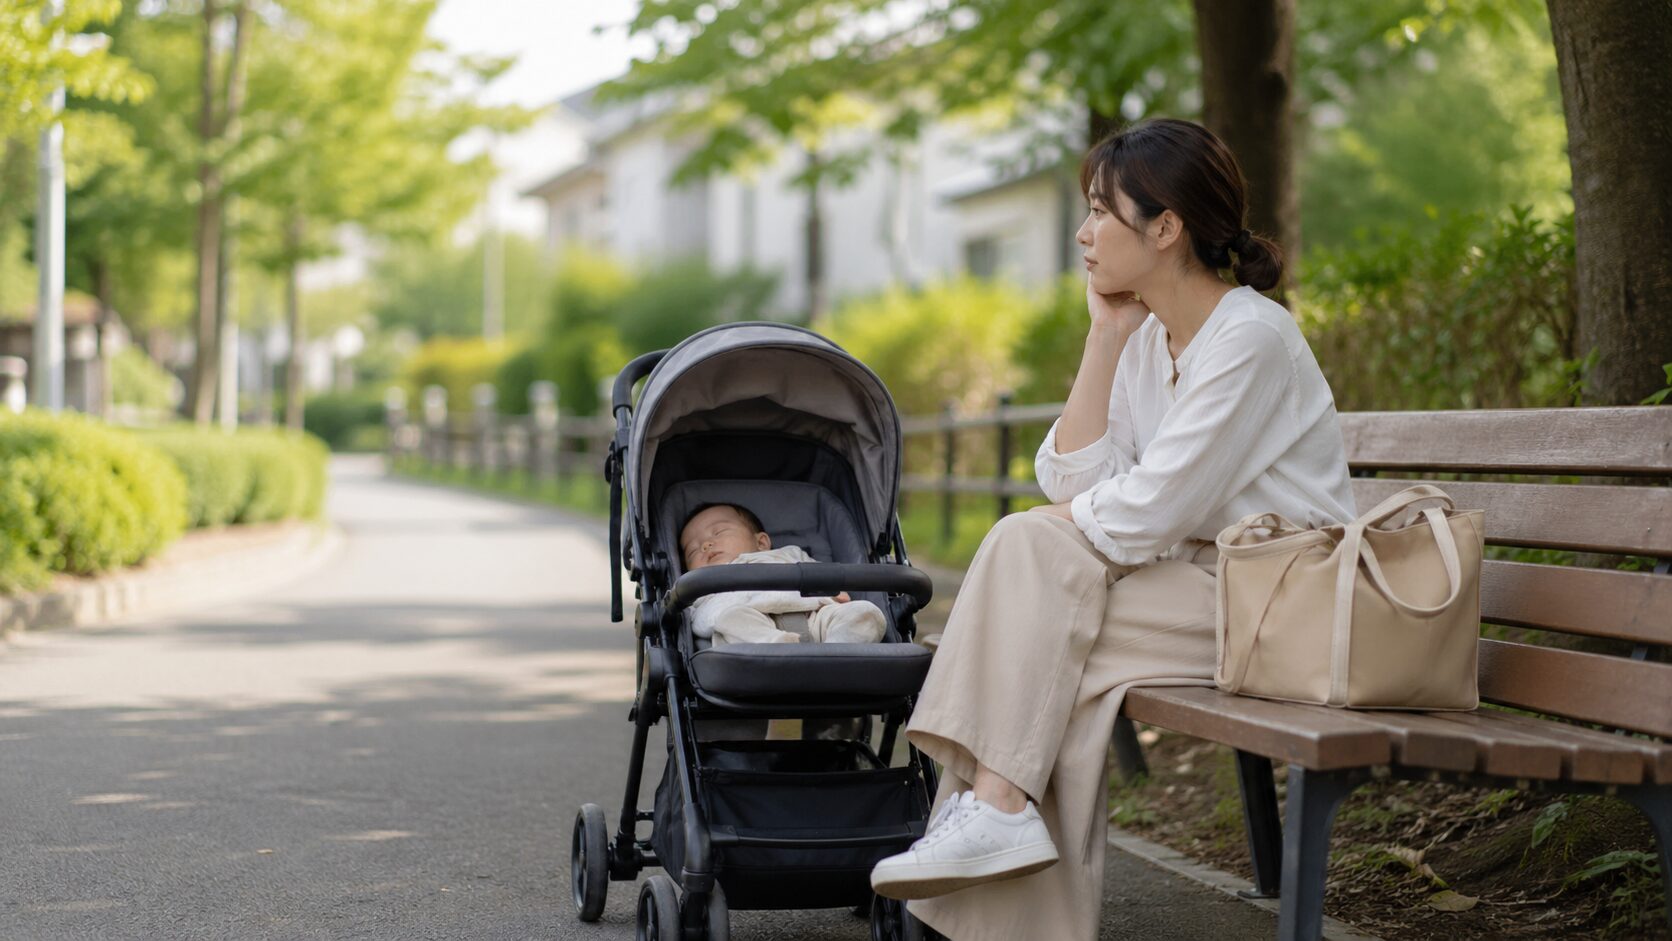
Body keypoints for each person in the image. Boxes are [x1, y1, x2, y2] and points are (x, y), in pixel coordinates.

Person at [868, 118, 1358, 940]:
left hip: (1280, 601)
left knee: (1035, 597)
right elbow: (1075, 479)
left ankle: (992, 816)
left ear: (1166, 228)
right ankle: (999, 808)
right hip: (1194, 586)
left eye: (1102, 211)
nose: (1083, 233)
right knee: (1046, 644)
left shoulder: (1249, 338)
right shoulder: (1147, 338)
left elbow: (1147, 510)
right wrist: (1104, 335)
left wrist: (1050, 527)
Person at [678, 503, 888, 646]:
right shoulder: (704, 586)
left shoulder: (789, 554)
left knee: (866, 613)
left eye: (719, 532)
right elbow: (703, 620)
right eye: (693, 551)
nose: (706, 545)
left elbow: (820, 575)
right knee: (729, 620)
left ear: (761, 543)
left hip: (815, 620)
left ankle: (836, 654)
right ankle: (781, 651)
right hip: (758, 631)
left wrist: (832, 591)